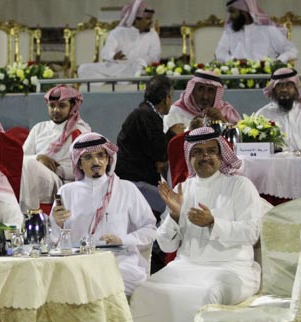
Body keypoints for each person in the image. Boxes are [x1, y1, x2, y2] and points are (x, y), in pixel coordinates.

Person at [130, 126, 261, 322]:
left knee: (206, 295)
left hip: (232, 267)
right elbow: (166, 244)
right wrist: (174, 215)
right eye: (198, 152)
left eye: (211, 151)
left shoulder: (240, 186)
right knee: (145, 292)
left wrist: (213, 223)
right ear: (189, 157)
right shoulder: (184, 188)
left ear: (221, 156)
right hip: (186, 266)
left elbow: (252, 232)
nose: (205, 156)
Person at [50, 132, 156, 295]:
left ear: (108, 159)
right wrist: (57, 224)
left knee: (104, 280)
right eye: (88, 157)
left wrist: (123, 239)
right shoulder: (66, 192)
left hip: (119, 261)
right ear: (79, 163)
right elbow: (54, 240)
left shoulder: (126, 188)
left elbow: (150, 229)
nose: (96, 162)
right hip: (78, 261)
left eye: (100, 155)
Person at [116, 75, 184, 215]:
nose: (171, 102)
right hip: (135, 183)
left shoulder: (145, 113)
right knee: (175, 207)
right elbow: (160, 152)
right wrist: (172, 134)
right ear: (166, 98)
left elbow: (152, 150)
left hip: (136, 180)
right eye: (171, 97)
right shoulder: (145, 116)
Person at [20, 85, 91, 211]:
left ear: (72, 106)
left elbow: (84, 168)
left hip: (61, 182)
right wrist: (39, 158)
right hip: (35, 175)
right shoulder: (39, 128)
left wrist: (57, 169)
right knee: (24, 165)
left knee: (28, 165)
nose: (56, 110)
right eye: (52, 106)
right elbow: (21, 157)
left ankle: (29, 213)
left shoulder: (80, 131)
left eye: (62, 106)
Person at [78, 0, 160, 80]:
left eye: (151, 18)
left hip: (136, 69)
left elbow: (155, 57)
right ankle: (115, 79)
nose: (151, 22)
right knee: (83, 68)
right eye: (147, 19)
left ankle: (115, 79)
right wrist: (113, 55)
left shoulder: (153, 35)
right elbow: (106, 51)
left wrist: (139, 62)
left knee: (137, 68)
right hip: (116, 68)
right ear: (136, 20)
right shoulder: (118, 33)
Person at [215, 0, 298, 63]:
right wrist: (234, 61)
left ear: (244, 12)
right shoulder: (230, 31)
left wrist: (278, 62)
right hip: (237, 77)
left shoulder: (268, 30)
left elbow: (291, 50)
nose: (229, 16)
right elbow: (219, 53)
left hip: (266, 77)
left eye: (232, 12)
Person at [256, 68, 301, 150]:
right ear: (273, 89)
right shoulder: (263, 115)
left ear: (296, 87)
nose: (284, 89)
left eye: (289, 85)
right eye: (279, 85)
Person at [163, 70, 240, 132]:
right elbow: (167, 142)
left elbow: (240, 139)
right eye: (200, 89)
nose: (205, 97)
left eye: (211, 91)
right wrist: (190, 130)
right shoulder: (175, 112)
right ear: (192, 91)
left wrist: (223, 122)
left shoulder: (227, 111)